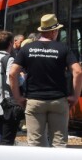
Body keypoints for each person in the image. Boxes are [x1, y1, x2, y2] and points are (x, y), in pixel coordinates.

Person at [9, 14, 82, 148]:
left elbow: (12, 73)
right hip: (58, 101)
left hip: (34, 101)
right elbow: (78, 71)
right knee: (59, 143)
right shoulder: (63, 48)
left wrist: (18, 97)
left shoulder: (27, 49)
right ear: (54, 31)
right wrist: (75, 96)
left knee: (35, 143)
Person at [0, 31, 23, 146]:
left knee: (3, 137)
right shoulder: (9, 59)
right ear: (10, 43)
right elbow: (11, 79)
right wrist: (22, 78)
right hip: (8, 105)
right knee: (8, 140)